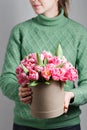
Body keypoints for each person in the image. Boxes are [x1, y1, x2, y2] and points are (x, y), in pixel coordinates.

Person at [0, 0, 87, 130]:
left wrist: (70, 95)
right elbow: (6, 78)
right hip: (25, 125)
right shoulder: (20, 31)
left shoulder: (78, 33)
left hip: (65, 125)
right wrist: (19, 91)